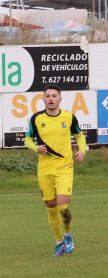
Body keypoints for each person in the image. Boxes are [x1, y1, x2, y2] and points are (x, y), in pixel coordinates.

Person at [24, 84, 87, 256]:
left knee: (63, 206)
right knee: (51, 206)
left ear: (60, 99)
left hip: (65, 167)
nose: (51, 99)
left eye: (54, 96)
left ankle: (67, 234)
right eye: (48, 96)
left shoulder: (68, 117)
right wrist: (37, 148)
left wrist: (81, 150)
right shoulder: (36, 118)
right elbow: (27, 140)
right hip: (44, 169)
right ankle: (59, 241)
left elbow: (80, 136)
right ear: (43, 99)